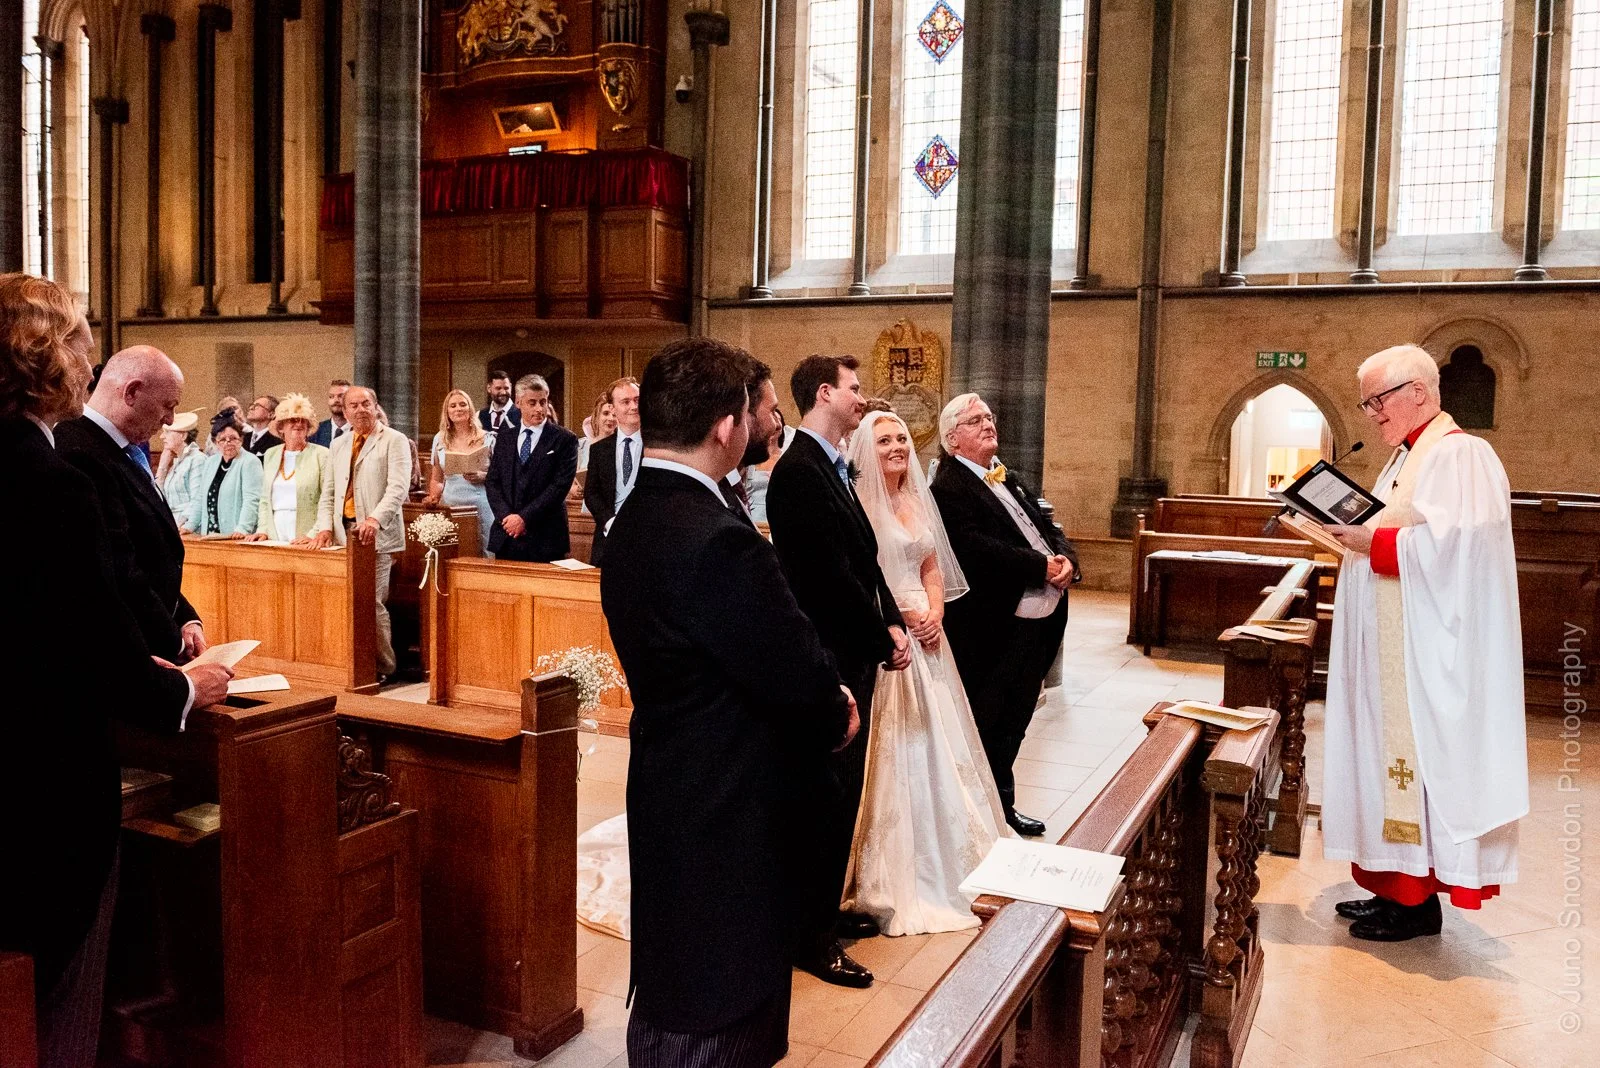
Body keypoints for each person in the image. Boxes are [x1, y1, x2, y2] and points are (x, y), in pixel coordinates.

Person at [601, 336, 857, 1068]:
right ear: (726, 426)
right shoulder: (713, 537)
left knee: (676, 979)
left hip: (669, 780)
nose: (764, 427)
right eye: (760, 413)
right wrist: (837, 707)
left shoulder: (634, 519)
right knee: (720, 1002)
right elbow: (794, 672)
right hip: (729, 801)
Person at [0, 272, 233, 1068]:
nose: (85, 357)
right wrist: (181, 688)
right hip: (42, 787)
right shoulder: (49, 481)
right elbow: (92, 642)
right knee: (62, 993)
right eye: (78, 343)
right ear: (46, 358)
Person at [1318, 344, 1527, 942]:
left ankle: (1416, 904)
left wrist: (1374, 545)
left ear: (1420, 391)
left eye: (1377, 400)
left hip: (1430, 654)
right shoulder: (1402, 459)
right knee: (1382, 760)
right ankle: (1389, 886)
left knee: (1415, 764)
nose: (1371, 414)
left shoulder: (1460, 454)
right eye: (1366, 403)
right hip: (1394, 648)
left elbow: (1457, 548)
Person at [765, 353, 910, 989]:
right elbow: (827, 579)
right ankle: (810, 938)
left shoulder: (832, 466)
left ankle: (821, 912)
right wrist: (880, 636)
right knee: (824, 799)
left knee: (840, 796)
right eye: (854, 390)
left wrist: (893, 622)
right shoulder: (798, 472)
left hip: (854, 648)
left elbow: (866, 557)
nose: (862, 398)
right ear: (824, 393)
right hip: (829, 658)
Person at [843, 410, 1012, 935]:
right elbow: (860, 574)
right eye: (883, 440)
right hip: (890, 633)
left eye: (899, 439)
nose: (895, 447)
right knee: (898, 747)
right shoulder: (859, 505)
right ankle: (890, 869)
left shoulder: (918, 499)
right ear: (866, 450)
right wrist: (901, 616)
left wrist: (936, 611)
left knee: (947, 742)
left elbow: (932, 566)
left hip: (931, 634)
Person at [929, 393, 1081, 838]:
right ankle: (982, 812)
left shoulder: (1007, 477)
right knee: (989, 720)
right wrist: (1040, 567)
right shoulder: (949, 487)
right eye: (976, 421)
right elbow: (973, 548)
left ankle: (1003, 805)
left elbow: (1047, 527)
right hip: (993, 626)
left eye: (989, 417)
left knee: (1016, 718)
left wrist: (1066, 559)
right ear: (952, 438)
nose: (988, 424)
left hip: (1037, 619)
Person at [55, 345, 208, 661]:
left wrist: (183, 617)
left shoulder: (123, 450)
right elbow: (118, 569)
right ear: (132, 392)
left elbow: (151, 555)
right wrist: (174, 644)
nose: (170, 419)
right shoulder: (78, 452)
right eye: (168, 405)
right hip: (123, 653)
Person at [304, 386, 412, 680]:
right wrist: (325, 526)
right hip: (343, 534)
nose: (360, 409)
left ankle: (383, 667)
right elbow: (329, 492)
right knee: (345, 600)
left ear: (376, 407)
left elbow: (398, 488)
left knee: (371, 602)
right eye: (354, 405)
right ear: (345, 411)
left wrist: (375, 519)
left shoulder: (394, 440)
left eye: (366, 404)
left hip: (375, 536)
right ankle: (351, 663)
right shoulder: (339, 445)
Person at [485, 374, 579, 562]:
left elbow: (558, 488)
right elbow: (492, 482)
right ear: (518, 402)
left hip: (545, 538)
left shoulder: (564, 439)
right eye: (532, 403)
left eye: (543, 402)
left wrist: (523, 518)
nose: (539, 409)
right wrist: (507, 519)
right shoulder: (505, 437)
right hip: (507, 535)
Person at [246, 394, 330, 542]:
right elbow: (265, 499)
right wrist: (262, 529)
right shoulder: (271, 454)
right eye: (292, 420)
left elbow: (328, 499)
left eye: (303, 420)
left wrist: (313, 534)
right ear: (281, 427)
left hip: (308, 533)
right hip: (275, 531)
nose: (298, 424)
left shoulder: (321, 454)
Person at [423, 388, 496, 555]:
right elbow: (436, 479)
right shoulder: (439, 439)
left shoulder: (487, 438)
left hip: (481, 500)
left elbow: (501, 476)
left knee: (485, 550)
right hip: (451, 500)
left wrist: (483, 475)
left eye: (463, 405)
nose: (458, 409)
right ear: (447, 412)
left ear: (470, 408)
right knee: (454, 551)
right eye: (453, 406)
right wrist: (434, 496)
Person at [583, 377, 642, 565]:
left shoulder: (658, 447)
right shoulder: (600, 449)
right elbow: (592, 493)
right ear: (614, 408)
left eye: (637, 400)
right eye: (626, 401)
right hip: (608, 541)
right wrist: (610, 522)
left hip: (646, 540)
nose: (634, 406)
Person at [184, 415, 262, 537]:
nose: (228, 443)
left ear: (241, 439)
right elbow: (200, 498)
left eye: (233, 438)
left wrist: (243, 528)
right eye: (222, 439)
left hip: (235, 534)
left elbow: (252, 499)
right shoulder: (210, 462)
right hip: (208, 534)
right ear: (215, 442)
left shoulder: (250, 462)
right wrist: (190, 525)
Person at [155, 411, 205, 524]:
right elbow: (159, 498)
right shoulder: (176, 464)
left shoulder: (197, 460)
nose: (162, 437)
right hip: (172, 523)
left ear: (183, 435)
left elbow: (197, 500)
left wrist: (179, 525)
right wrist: (162, 466)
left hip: (188, 527)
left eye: (167, 432)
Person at [743, 407, 786, 523]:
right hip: (753, 517)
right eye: (772, 419)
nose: (776, 424)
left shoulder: (787, 459)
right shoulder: (754, 459)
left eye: (779, 420)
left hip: (778, 516)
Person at [309, 378, 352, 446]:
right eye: (331, 396)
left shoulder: (359, 430)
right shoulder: (316, 431)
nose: (336, 400)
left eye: (341, 396)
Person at [478, 368, 521, 434]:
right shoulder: (480, 415)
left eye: (506, 388)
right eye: (498, 388)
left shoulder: (521, 414)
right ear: (489, 388)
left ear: (511, 387)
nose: (503, 392)